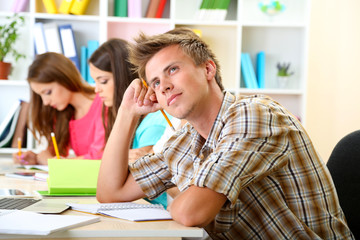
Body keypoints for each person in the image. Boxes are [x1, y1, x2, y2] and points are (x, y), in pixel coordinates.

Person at [96, 28, 354, 239]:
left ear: (208, 69)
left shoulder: (254, 115)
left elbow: (191, 213)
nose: (163, 86)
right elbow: (110, 193)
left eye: (172, 69)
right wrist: (127, 113)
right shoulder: (185, 141)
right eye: (154, 82)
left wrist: (177, 202)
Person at [88, 38, 171, 207]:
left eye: (103, 81)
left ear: (123, 78)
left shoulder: (154, 124)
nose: (97, 89)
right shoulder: (129, 119)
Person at [12, 52, 105, 165]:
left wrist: (54, 162)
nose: (46, 102)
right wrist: (35, 158)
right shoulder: (64, 112)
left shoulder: (103, 103)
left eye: (47, 92)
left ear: (64, 77)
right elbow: (54, 153)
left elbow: (99, 157)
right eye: (40, 96)